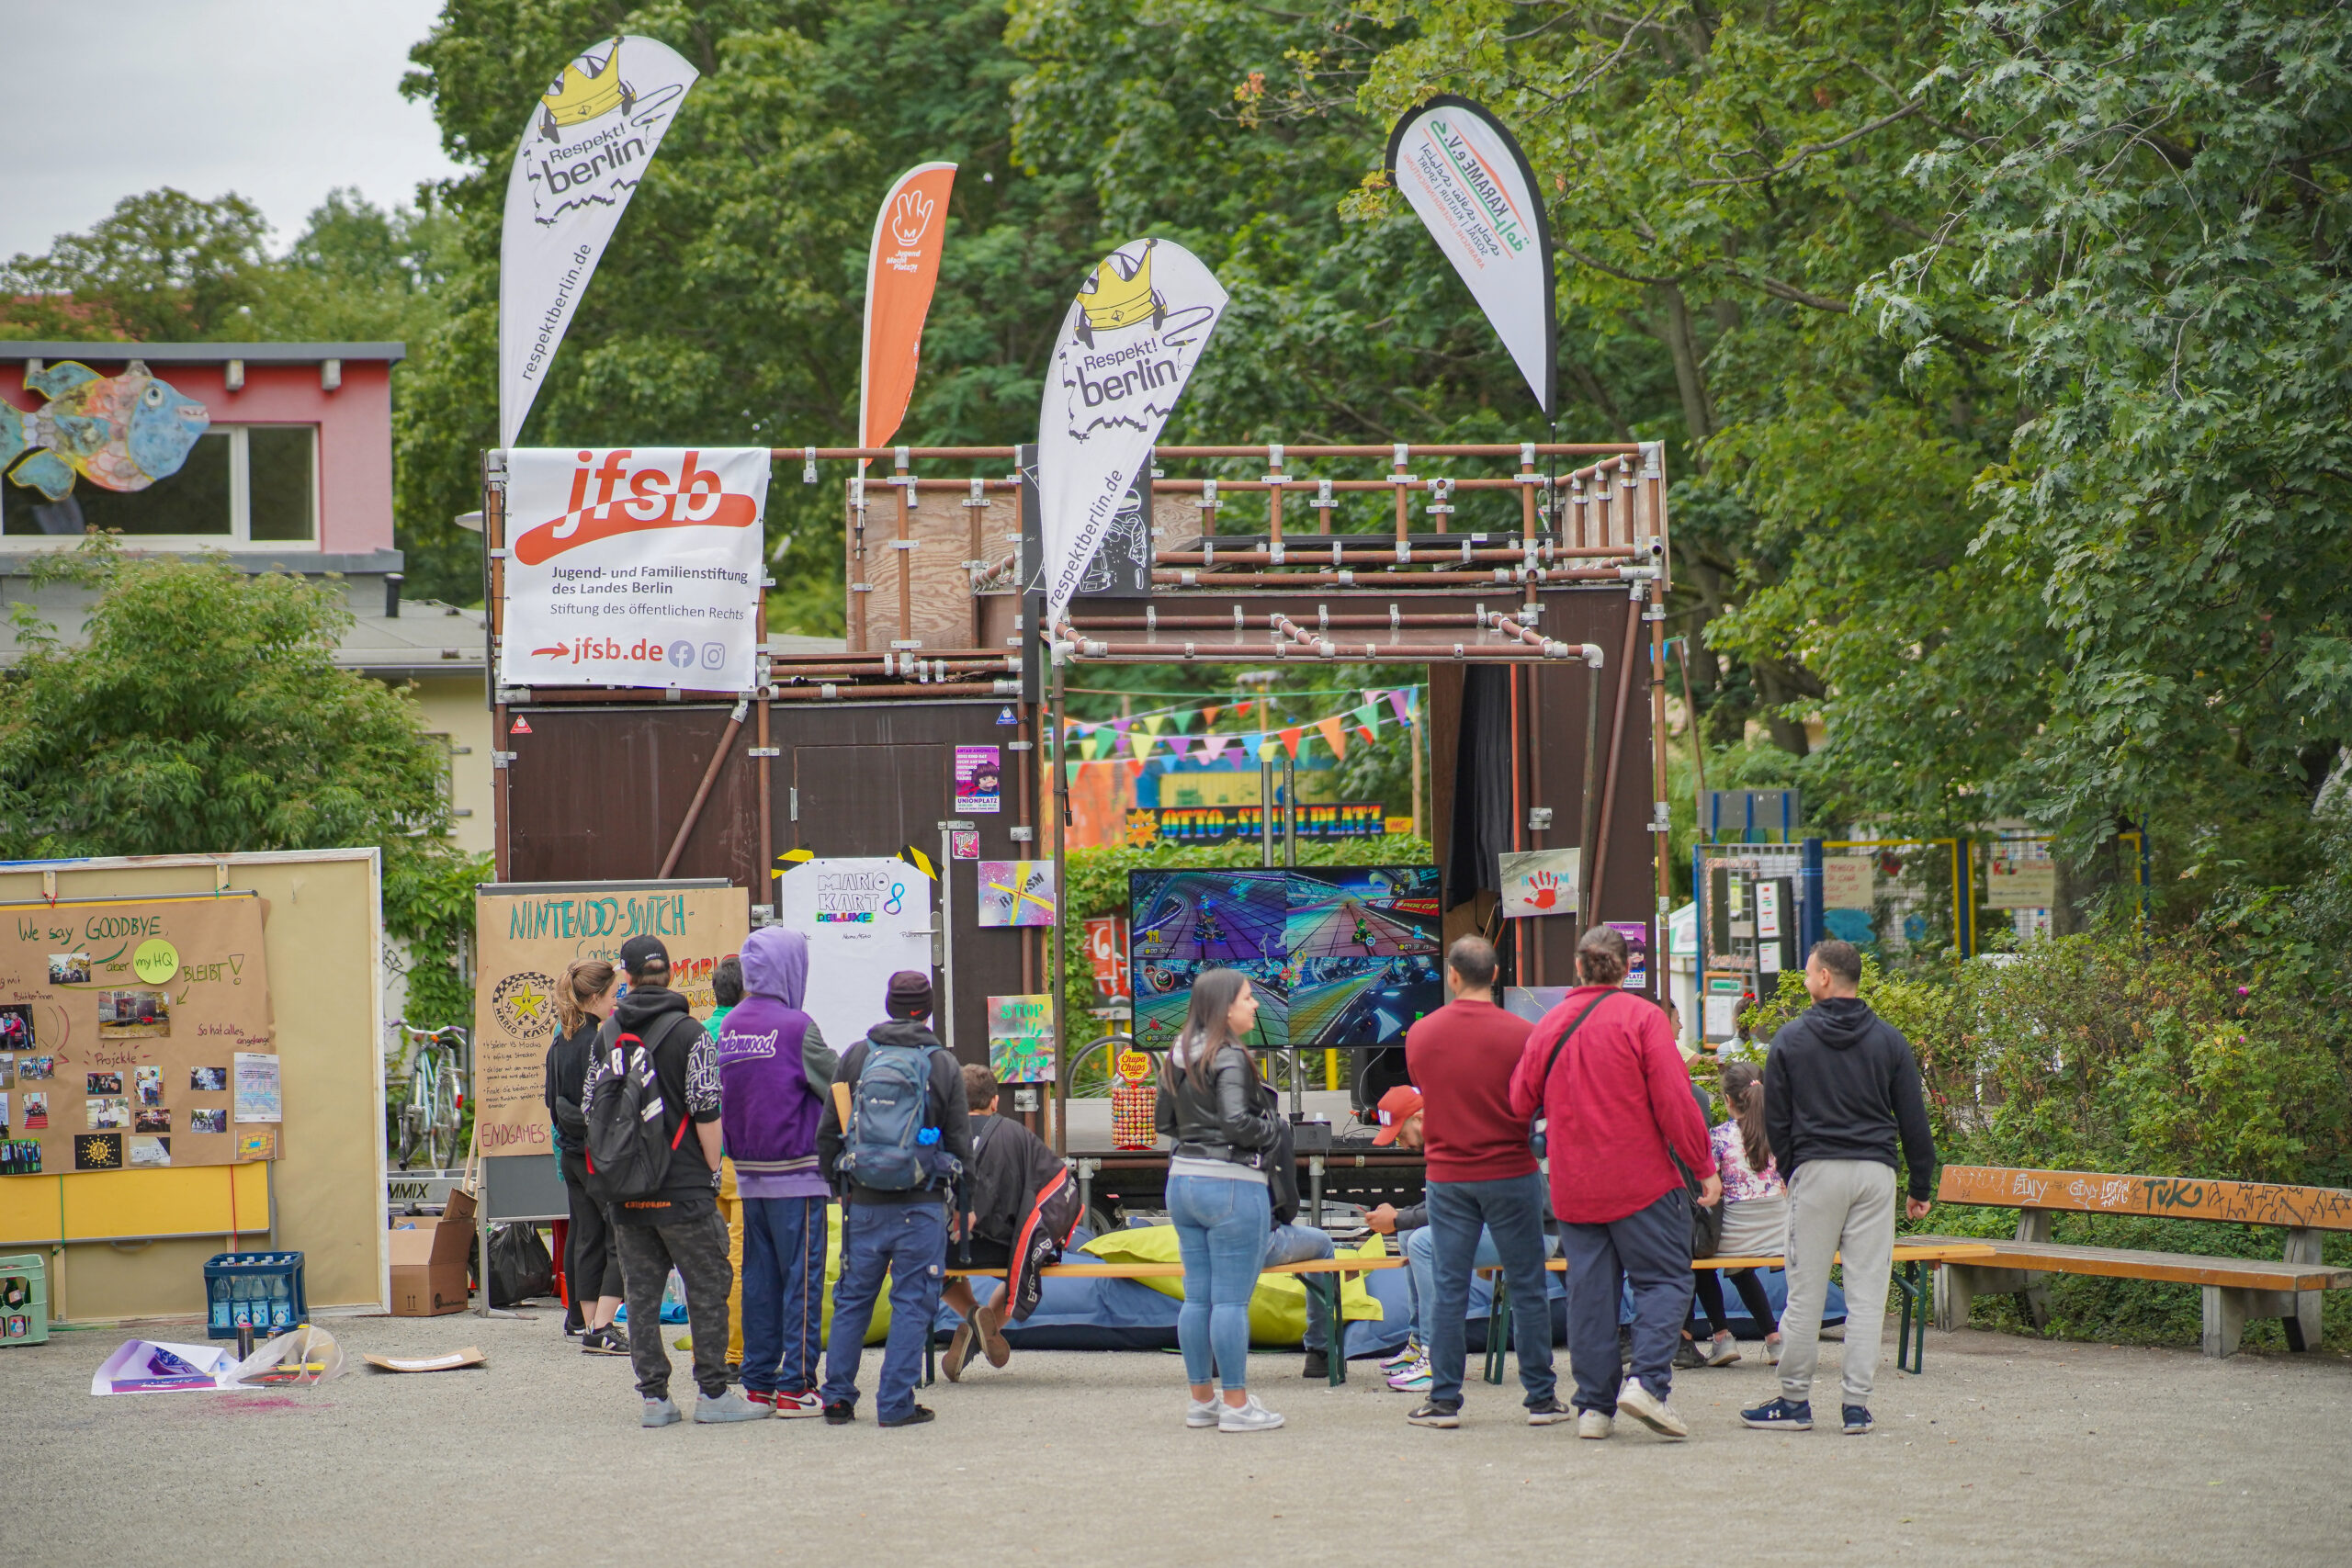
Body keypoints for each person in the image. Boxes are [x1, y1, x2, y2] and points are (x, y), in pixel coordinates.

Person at [1510, 925, 1719, 1441]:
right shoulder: (1644, 1019)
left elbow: (1518, 1102)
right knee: (1667, 1279)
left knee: (1590, 1294)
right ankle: (1646, 1382)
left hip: (1575, 1186)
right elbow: (1676, 1101)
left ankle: (1593, 1408)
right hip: (1641, 1182)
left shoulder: (1550, 1024)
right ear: (1627, 969)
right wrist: (1703, 1166)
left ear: (1578, 968)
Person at [1743, 939, 1937, 1438]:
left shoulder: (1790, 1039)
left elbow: (1777, 1120)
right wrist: (1919, 1183)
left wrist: (1793, 1171)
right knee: (1867, 1295)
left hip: (1818, 1171)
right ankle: (1856, 1406)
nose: (1806, 980)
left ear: (1826, 978)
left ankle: (1794, 1402)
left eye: (1809, 973)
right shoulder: (1889, 1041)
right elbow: (1913, 1119)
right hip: (1876, 1173)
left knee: (1805, 1292)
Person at [589, 935, 764, 1427]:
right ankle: (712, 1394)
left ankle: (654, 1400)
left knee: (641, 1298)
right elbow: (707, 1107)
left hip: (626, 1189)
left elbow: (590, 1108)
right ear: (669, 974)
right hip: (684, 1186)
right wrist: (711, 1172)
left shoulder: (607, 1035)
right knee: (708, 1286)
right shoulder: (691, 1033)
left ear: (625, 977)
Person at [1396, 936, 1566, 1428]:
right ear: (1495, 977)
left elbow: (1427, 1094)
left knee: (1449, 1288)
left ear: (1451, 975)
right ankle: (1540, 1399)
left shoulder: (1421, 1036)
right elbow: (1539, 1100)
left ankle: (1444, 1400)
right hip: (1512, 1172)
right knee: (1528, 1285)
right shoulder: (1522, 1033)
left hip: (1448, 1176)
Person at [816, 970, 971, 1427]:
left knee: (852, 1299)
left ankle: (837, 1399)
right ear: (927, 1009)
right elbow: (961, 1143)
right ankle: (895, 1403)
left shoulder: (857, 1056)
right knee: (911, 1301)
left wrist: (839, 1190)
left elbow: (829, 1133)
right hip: (921, 1203)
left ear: (888, 1005)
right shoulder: (942, 1063)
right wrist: (964, 1203)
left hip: (863, 1201)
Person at [1155, 967, 1285, 1433]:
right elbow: (1236, 1122)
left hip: (1183, 1182)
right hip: (1232, 1186)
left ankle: (1202, 1402)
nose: (1254, 1005)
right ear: (1225, 1006)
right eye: (1249, 998)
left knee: (1198, 1298)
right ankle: (1236, 1405)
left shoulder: (1178, 1050)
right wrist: (1273, 1132)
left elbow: (1163, 1122)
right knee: (1231, 1302)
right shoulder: (1229, 1054)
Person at [716, 929, 836, 1416]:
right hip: (798, 1174)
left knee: (759, 1281)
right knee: (802, 1281)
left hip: (747, 1173)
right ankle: (796, 1386)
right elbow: (836, 1084)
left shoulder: (731, 1026)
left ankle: (759, 1383)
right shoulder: (795, 1025)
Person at [940, 1063, 1070, 1381]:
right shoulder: (1018, 1135)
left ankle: (973, 1314)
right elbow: (1057, 1185)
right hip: (1009, 1251)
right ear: (995, 1101)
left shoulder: (938, 1135)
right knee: (1031, 1259)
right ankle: (987, 1325)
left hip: (945, 1250)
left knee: (933, 1261)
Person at [544, 958, 628, 1356]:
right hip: (598, 1153)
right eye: (613, 995)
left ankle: (585, 1320)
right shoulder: (600, 1038)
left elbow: (550, 1100)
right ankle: (604, 1325)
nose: (617, 1002)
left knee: (586, 1236)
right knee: (622, 1237)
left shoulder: (560, 1040)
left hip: (571, 1153)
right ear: (593, 998)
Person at [1690, 1058, 1787, 1367]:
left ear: (1728, 1100)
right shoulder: (1783, 1131)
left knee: (1700, 1263)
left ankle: (1721, 1336)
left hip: (1737, 1238)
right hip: (1780, 1237)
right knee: (1740, 1269)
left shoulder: (1718, 1137)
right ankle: (1774, 1340)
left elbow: (1708, 1186)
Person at [706, 953, 747, 1371]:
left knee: (710, 1260)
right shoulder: (749, 1032)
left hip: (703, 1160)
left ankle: (713, 1350)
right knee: (739, 1258)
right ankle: (735, 1353)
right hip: (739, 1158)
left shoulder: (700, 1032)